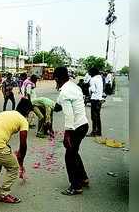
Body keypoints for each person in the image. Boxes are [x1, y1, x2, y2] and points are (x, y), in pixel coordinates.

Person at [0, 98, 33, 206]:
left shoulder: (6, 113)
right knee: (13, 168)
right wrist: (20, 162)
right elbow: (23, 144)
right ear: (27, 111)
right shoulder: (23, 120)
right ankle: (4, 194)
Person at [54, 66, 89, 196]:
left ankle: (75, 186)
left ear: (57, 78)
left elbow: (69, 115)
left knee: (69, 156)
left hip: (75, 128)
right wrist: (55, 107)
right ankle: (84, 178)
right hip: (84, 124)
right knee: (73, 152)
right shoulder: (73, 87)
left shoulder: (64, 92)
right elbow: (59, 104)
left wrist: (67, 134)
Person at [88, 67, 104, 137]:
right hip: (99, 99)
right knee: (98, 117)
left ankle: (94, 132)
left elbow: (93, 90)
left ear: (92, 73)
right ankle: (99, 132)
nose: (89, 73)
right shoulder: (100, 78)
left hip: (94, 99)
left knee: (93, 117)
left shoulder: (93, 79)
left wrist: (89, 88)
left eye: (89, 72)